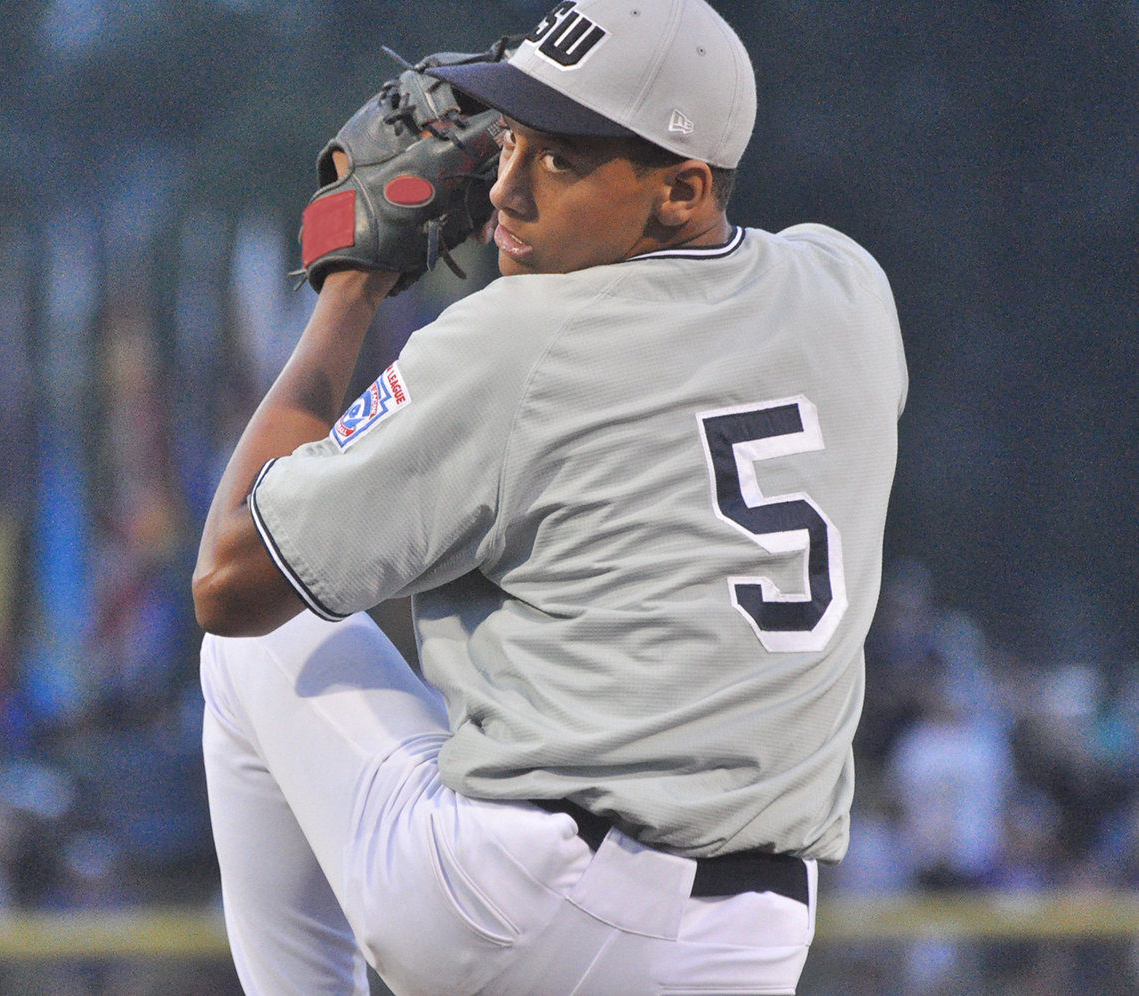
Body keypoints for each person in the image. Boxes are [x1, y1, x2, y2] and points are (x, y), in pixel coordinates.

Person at [191, 0, 907, 993]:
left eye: (559, 157)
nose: (504, 189)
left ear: (682, 188)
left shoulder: (515, 341)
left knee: (254, 649)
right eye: (510, 138)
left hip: (521, 909)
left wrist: (349, 291)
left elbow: (228, 579)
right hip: (753, 944)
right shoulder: (851, 292)